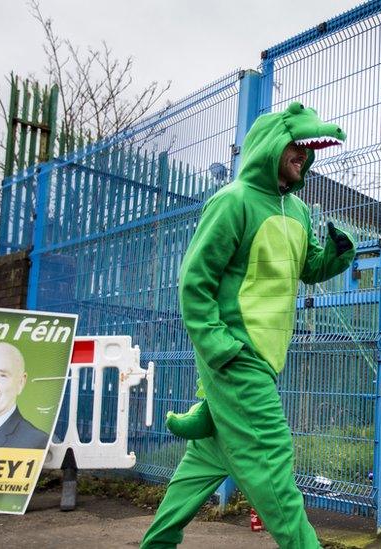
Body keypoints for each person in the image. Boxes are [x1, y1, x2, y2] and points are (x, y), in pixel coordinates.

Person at [141, 102, 355, 549]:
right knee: (273, 464)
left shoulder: (297, 209)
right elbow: (194, 283)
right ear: (270, 146)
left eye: (306, 149)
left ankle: (156, 543)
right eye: (295, 144)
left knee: (205, 461)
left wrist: (337, 253)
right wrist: (221, 348)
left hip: (264, 359)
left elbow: (307, 266)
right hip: (238, 358)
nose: (304, 153)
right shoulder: (232, 201)